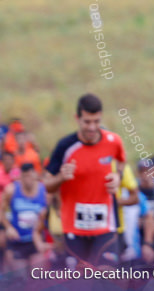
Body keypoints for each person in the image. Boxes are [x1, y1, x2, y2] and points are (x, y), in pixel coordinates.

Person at [42, 94, 125, 269]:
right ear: (77, 119)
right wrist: (61, 178)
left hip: (105, 226)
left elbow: (121, 162)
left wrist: (118, 176)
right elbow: (47, 186)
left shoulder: (113, 141)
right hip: (74, 228)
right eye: (87, 122)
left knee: (107, 278)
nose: (92, 127)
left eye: (96, 121)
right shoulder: (65, 146)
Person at [1, 163, 49, 274]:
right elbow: (1, 211)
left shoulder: (44, 190)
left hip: (36, 241)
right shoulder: (11, 189)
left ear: (36, 175)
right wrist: (8, 228)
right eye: (25, 176)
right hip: (17, 240)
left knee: (37, 277)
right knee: (20, 278)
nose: (28, 180)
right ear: (21, 176)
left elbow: (48, 215)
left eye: (30, 176)